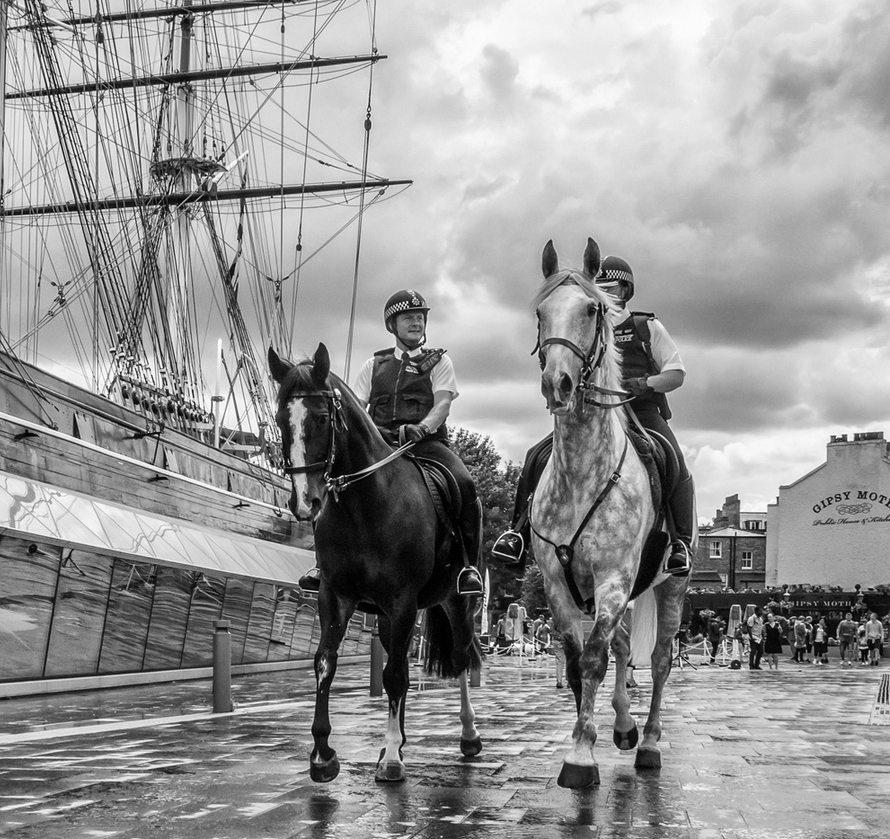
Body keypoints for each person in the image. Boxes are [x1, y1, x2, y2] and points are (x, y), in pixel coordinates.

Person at [491, 254, 696, 577]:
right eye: (598, 288)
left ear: (626, 292)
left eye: (611, 289)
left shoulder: (645, 327)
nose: (604, 294)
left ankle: (680, 542)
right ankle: (516, 533)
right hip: (590, 412)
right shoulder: (585, 322)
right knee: (535, 457)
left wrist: (645, 383)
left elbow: (677, 373)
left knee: (674, 460)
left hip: (639, 411)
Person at [298, 289, 484, 596]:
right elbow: (354, 410)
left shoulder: (439, 361)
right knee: (332, 487)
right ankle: (322, 563)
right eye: (408, 318)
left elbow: (443, 405)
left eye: (420, 317)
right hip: (380, 446)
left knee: (464, 485)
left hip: (425, 445)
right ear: (392, 326)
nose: (416, 323)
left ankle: (468, 567)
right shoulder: (375, 365)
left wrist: (422, 428)